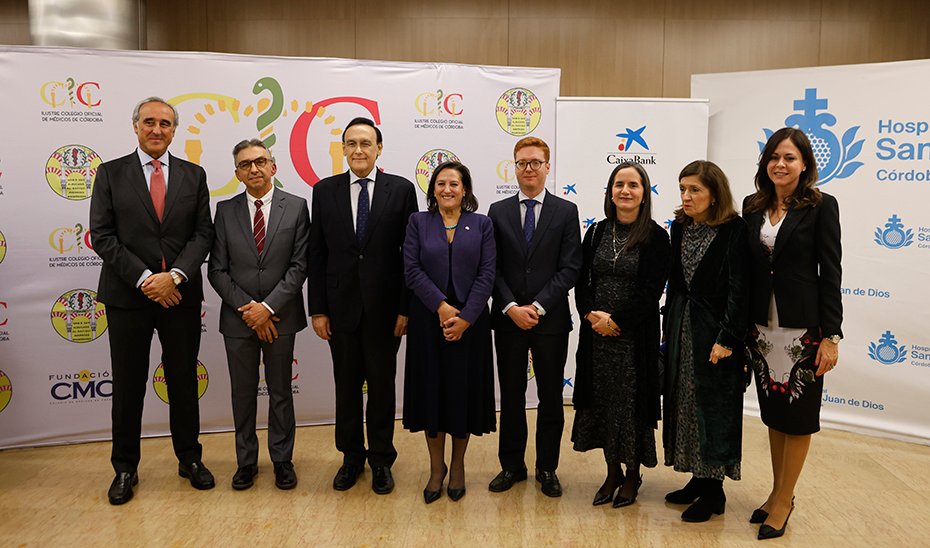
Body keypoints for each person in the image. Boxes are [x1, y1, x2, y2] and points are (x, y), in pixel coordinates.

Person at [90, 97, 215, 505]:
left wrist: (175, 276)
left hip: (180, 294)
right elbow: (103, 235)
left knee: (183, 380)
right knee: (128, 385)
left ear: (174, 130)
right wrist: (147, 279)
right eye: (149, 122)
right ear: (136, 126)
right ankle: (125, 467)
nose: (157, 129)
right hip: (128, 296)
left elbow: (202, 235)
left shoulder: (194, 175)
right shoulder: (110, 173)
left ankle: (189, 458)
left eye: (165, 123)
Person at [307, 117, 419, 495]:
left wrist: (406, 308)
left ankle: (382, 459)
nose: (358, 149)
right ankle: (351, 457)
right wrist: (318, 309)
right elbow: (316, 255)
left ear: (379, 148)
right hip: (340, 311)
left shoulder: (401, 190)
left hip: (386, 311)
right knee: (347, 387)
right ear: (343, 149)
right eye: (351, 143)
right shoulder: (324, 191)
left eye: (366, 143)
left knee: (384, 389)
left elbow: (410, 254)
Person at [743, 127, 842, 540]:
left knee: (798, 418)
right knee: (775, 414)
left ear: (804, 165)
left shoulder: (821, 206)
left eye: (789, 158)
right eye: (774, 157)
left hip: (803, 330)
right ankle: (775, 491)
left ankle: (785, 501)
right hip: (761, 327)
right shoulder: (753, 205)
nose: (780, 165)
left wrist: (832, 335)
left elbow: (831, 272)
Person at [208, 139, 309, 491]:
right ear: (237, 173)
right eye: (245, 164)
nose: (254, 168)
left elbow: (299, 266)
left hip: (281, 316)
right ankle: (246, 462)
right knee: (243, 392)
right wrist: (249, 310)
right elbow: (217, 270)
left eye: (260, 161)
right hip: (238, 320)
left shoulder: (297, 207)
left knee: (281, 391)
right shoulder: (224, 211)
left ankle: (282, 460)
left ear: (273, 167)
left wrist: (267, 309)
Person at [487, 136, 582, 498]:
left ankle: (547, 468)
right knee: (511, 396)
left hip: (551, 321)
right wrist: (511, 307)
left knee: (549, 399)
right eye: (522, 163)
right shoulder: (498, 211)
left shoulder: (565, 211)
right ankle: (512, 465)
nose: (528, 169)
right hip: (508, 320)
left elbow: (571, 267)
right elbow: (490, 267)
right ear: (514, 167)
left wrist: (539, 306)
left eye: (535, 162)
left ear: (547, 166)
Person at [571, 162, 669, 508]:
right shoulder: (596, 232)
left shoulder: (657, 237)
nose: (625, 191)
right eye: (618, 184)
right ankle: (611, 471)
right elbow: (581, 282)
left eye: (633, 185)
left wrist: (617, 321)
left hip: (633, 338)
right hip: (596, 337)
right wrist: (590, 315)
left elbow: (651, 291)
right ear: (610, 192)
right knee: (604, 403)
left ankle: (631, 476)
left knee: (630, 406)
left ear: (644, 194)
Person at [402, 161, 496, 504]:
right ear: (433, 190)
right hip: (429, 320)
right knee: (432, 395)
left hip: (471, 324)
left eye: (454, 184)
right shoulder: (417, 222)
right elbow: (411, 269)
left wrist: (467, 317)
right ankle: (435, 468)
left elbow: (488, 274)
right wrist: (441, 307)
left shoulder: (482, 224)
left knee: (461, 396)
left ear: (465, 189)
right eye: (441, 184)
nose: (447, 189)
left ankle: (457, 467)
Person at [662, 160, 749, 522]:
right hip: (683, 328)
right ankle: (698, 479)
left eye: (694, 189)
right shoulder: (679, 227)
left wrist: (728, 337)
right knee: (685, 404)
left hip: (716, 334)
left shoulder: (734, 229)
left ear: (714, 194)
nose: (686, 196)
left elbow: (740, 288)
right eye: (683, 189)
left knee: (713, 410)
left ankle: (715, 492)